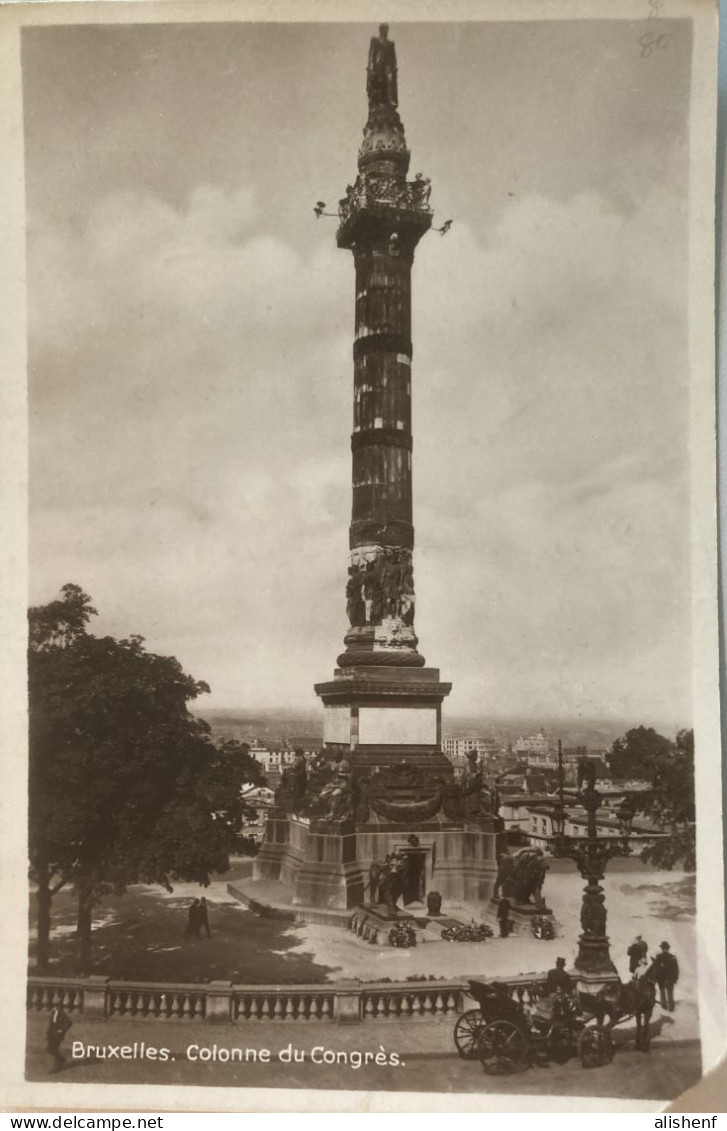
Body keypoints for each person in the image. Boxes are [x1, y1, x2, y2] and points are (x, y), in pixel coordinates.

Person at [650, 941, 679, 1011]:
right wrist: (675, 979)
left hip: (661, 979)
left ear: (662, 948)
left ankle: (664, 1005)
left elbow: (656, 968)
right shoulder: (673, 957)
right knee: (670, 993)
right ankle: (671, 1007)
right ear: (668, 949)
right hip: (670, 979)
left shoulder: (659, 957)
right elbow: (676, 970)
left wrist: (654, 978)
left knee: (662, 992)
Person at [46, 1003, 72, 1074]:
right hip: (51, 1034)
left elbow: (69, 1022)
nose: (55, 1008)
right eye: (55, 1006)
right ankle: (60, 1059)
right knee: (50, 1049)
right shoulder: (53, 1012)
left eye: (56, 1007)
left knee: (54, 1049)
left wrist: (62, 1030)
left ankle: (55, 1067)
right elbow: (51, 1023)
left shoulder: (62, 1014)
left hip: (57, 1035)